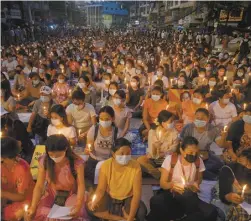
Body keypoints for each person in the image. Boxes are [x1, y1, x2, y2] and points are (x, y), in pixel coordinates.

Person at [147, 136, 217, 221]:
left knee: (211, 212)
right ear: (181, 150)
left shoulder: (198, 161)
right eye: (190, 152)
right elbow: (163, 184)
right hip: (172, 194)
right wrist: (172, 185)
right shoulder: (171, 160)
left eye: (196, 152)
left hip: (189, 197)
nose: (194, 155)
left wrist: (196, 184)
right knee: (156, 201)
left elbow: (199, 179)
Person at [25, 135, 88, 221]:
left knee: (71, 213)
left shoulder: (76, 163)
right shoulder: (45, 161)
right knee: (39, 212)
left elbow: (81, 185)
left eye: (58, 155)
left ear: (66, 149)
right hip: (52, 193)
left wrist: (78, 204)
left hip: (71, 194)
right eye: (51, 155)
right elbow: (39, 186)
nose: (54, 158)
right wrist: (33, 206)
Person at [87, 138, 147, 221]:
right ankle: (119, 218)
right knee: (90, 208)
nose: (125, 156)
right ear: (113, 153)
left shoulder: (136, 166)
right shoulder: (106, 165)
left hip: (127, 198)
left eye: (128, 153)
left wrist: (130, 217)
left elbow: (137, 194)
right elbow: (101, 189)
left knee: (141, 211)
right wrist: (94, 202)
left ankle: (115, 216)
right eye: (121, 154)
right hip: (110, 197)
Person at [180, 108, 225, 180]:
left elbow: (221, 144)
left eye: (203, 118)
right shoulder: (188, 127)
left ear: (208, 119)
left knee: (220, 165)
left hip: (205, 154)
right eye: (197, 117)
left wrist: (224, 136)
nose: (200, 120)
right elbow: (181, 143)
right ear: (194, 118)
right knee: (201, 169)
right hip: (190, 154)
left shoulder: (213, 129)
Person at [137, 110, 179, 179]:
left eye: (173, 121)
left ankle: (155, 172)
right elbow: (152, 152)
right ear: (163, 123)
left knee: (177, 163)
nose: (173, 123)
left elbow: (173, 149)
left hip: (167, 160)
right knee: (140, 160)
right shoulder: (153, 132)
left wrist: (162, 153)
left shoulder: (174, 133)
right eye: (170, 121)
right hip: (153, 159)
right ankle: (160, 174)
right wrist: (157, 150)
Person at [1, 136, 35, 221]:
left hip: (24, 199)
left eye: (2, 159)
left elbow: (22, 197)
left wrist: (3, 194)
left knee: (12, 214)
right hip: (5, 198)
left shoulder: (22, 168)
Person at [85, 106, 118, 187]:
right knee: (90, 179)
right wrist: (88, 149)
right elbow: (88, 144)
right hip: (94, 159)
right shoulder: (94, 129)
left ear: (113, 119)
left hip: (108, 161)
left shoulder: (117, 132)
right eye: (101, 119)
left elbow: (117, 150)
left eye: (107, 119)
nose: (104, 121)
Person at [218, 149, 251, 221]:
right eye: (245, 164)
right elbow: (222, 196)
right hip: (234, 208)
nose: (248, 167)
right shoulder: (228, 170)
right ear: (238, 160)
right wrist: (228, 197)